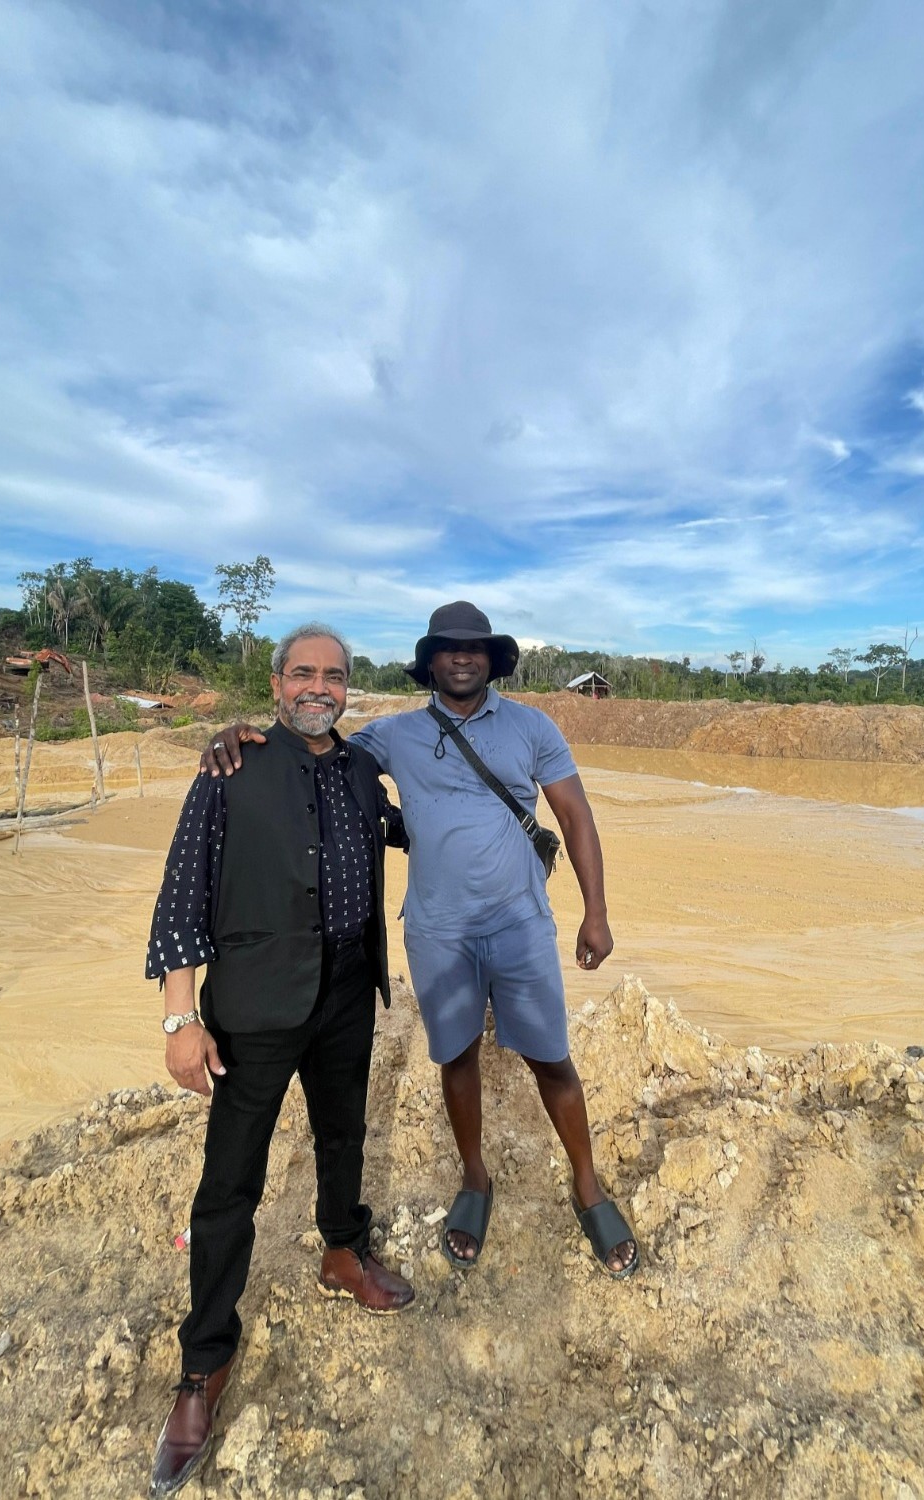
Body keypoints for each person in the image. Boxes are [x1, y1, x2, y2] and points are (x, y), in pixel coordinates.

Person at [203, 601, 638, 1282]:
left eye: (475, 647)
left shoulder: (533, 727)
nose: (462, 657)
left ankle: (588, 1186)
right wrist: (238, 737)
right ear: (429, 662)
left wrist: (597, 913)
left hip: (521, 924)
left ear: (492, 660)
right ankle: (475, 1178)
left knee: (552, 1058)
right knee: (456, 1055)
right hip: (437, 932)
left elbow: (575, 815)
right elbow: (315, 749)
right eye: (447, 647)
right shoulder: (394, 734)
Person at [146, 623, 414, 1498]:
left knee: (344, 1134)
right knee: (230, 1183)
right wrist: (180, 1017)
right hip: (256, 1004)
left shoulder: (360, 772)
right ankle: (203, 1364)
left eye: (334, 675)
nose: (319, 687)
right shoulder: (229, 767)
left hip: (347, 991)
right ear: (276, 682)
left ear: (348, 688)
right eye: (303, 672)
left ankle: (343, 1251)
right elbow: (183, 891)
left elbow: (412, 832)